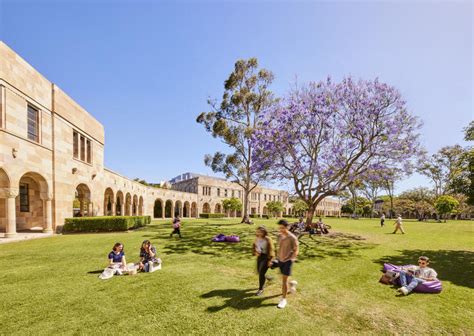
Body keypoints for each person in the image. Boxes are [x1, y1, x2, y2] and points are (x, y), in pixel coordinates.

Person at [274, 219, 299, 309]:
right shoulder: (279, 236)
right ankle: (292, 284)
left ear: (287, 227)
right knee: (284, 278)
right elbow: (278, 247)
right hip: (280, 260)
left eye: (283, 228)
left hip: (288, 261)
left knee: (284, 280)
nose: (281, 229)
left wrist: (291, 258)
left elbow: (296, 250)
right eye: (280, 228)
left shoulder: (292, 237)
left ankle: (283, 300)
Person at [252, 226, 275, 296]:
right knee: (259, 271)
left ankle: (261, 289)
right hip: (260, 256)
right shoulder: (256, 239)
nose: (259, 233)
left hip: (266, 257)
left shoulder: (268, 239)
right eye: (258, 231)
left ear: (264, 232)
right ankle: (268, 278)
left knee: (261, 273)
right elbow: (254, 247)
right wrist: (255, 252)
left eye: (261, 231)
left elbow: (271, 250)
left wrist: (270, 260)